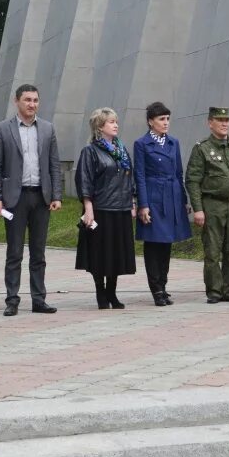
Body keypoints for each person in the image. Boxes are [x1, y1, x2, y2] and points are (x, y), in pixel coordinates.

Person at [0, 84, 63, 315]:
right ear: (17, 101)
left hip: (41, 196)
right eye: (27, 100)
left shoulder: (48, 129)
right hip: (15, 197)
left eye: (35, 100)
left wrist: (57, 195)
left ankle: (39, 299)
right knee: (15, 252)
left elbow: (54, 164)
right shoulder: (3, 129)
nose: (32, 104)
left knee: (39, 252)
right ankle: (12, 300)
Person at [185, 107, 229, 304]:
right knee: (213, 251)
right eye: (219, 120)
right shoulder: (202, 149)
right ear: (210, 123)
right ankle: (215, 291)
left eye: (227, 120)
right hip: (212, 205)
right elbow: (192, 180)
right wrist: (198, 209)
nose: (224, 123)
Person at [75, 108, 137, 309]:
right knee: (100, 253)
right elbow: (85, 180)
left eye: (116, 121)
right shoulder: (90, 151)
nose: (116, 125)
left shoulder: (121, 150)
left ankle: (112, 292)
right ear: (100, 127)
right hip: (101, 208)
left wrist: (132, 202)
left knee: (117, 253)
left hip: (121, 208)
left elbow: (130, 177)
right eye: (111, 122)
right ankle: (100, 292)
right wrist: (88, 207)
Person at [134, 102, 192, 306]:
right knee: (154, 243)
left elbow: (179, 173)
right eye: (161, 119)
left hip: (172, 194)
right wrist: (143, 204)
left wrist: (184, 200)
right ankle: (156, 288)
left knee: (166, 242)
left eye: (167, 119)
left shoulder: (173, 142)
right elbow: (139, 175)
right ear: (151, 121)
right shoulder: (142, 144)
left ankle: (164, 286)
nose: (165, 123)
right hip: (153, 195)